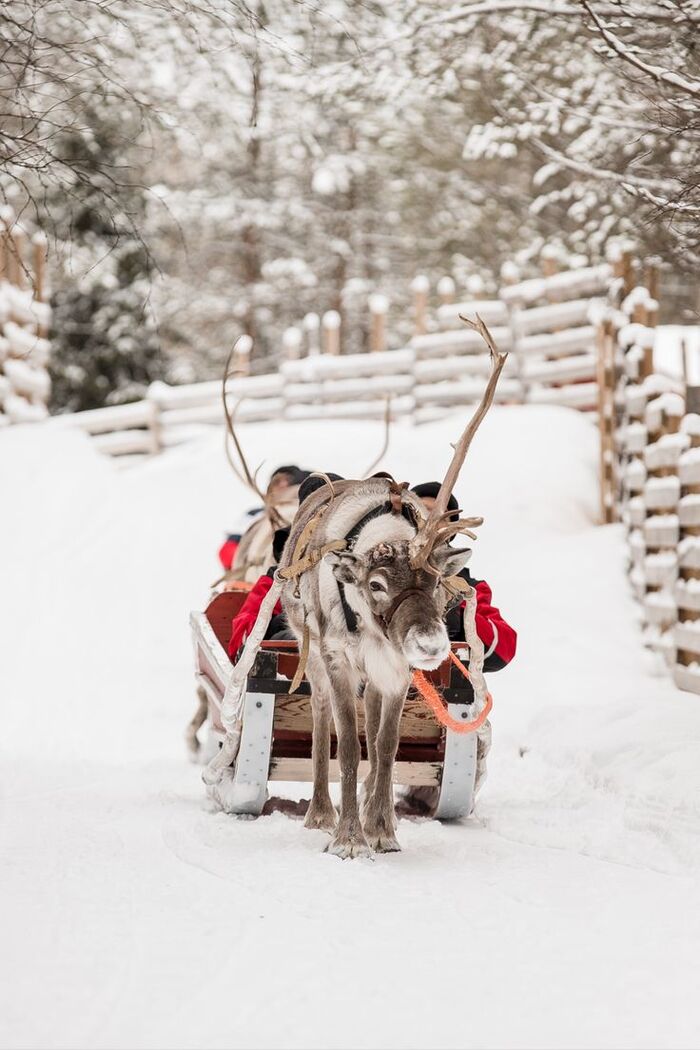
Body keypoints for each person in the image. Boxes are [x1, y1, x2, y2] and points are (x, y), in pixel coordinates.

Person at [217, 464, 310, 577]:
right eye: (277, 481)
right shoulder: (255, 514)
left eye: (289, 480)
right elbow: (227, 551)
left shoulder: (305, 508)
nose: (282, 484)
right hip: (253, 577)